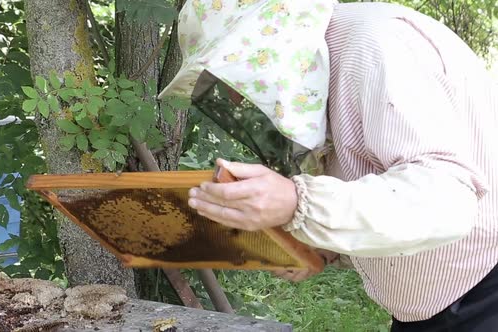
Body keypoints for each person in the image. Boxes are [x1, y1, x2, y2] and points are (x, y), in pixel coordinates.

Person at [158, 0, 498, 331]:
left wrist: (298, 203)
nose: (234, 96)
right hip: (433, 303)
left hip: (483, 289)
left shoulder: (376, 45)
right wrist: (322, 245)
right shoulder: (324, 66)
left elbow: (446, 200)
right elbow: (375, 180)